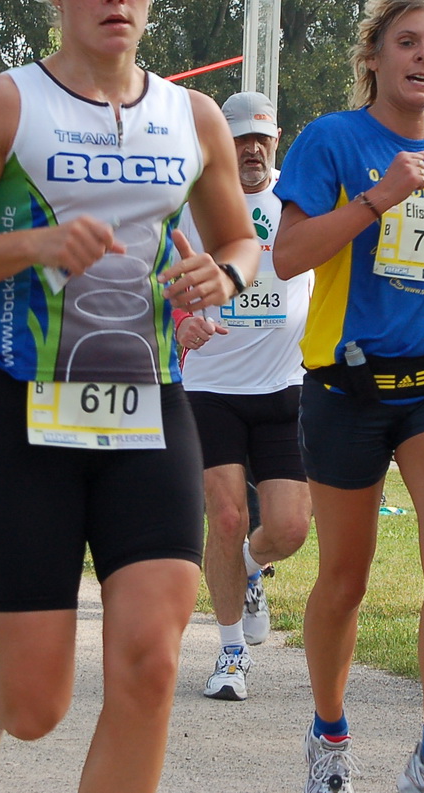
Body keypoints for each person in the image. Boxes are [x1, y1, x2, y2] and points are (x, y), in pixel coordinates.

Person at [0, 0, 257, 792]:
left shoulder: (194, 118)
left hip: (151, 414)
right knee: (38, 708)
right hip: (26, 420)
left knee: (151, 662)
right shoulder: (6, 104)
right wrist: (33, 243)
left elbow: (241, 238)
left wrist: (227, 275)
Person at [272, 0, 424, 793]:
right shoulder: (333, 140)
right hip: (346, 383)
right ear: (374, 56)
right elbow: (289, 254)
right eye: (408, 41)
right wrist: (378, 197)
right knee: (345, 576)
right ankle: (330, 734)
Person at [174, 90, 315, 702]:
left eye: (262, 138)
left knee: (288, 529)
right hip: (212, 385)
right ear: (222, 144)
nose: (252, 149)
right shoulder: (194, 201)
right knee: (227, 517)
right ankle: (231, 652)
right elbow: (160, 283)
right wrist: (181, 321)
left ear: (276, 141)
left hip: (287, 384)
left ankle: (253, 570)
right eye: (240, 139)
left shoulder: (299, 198)